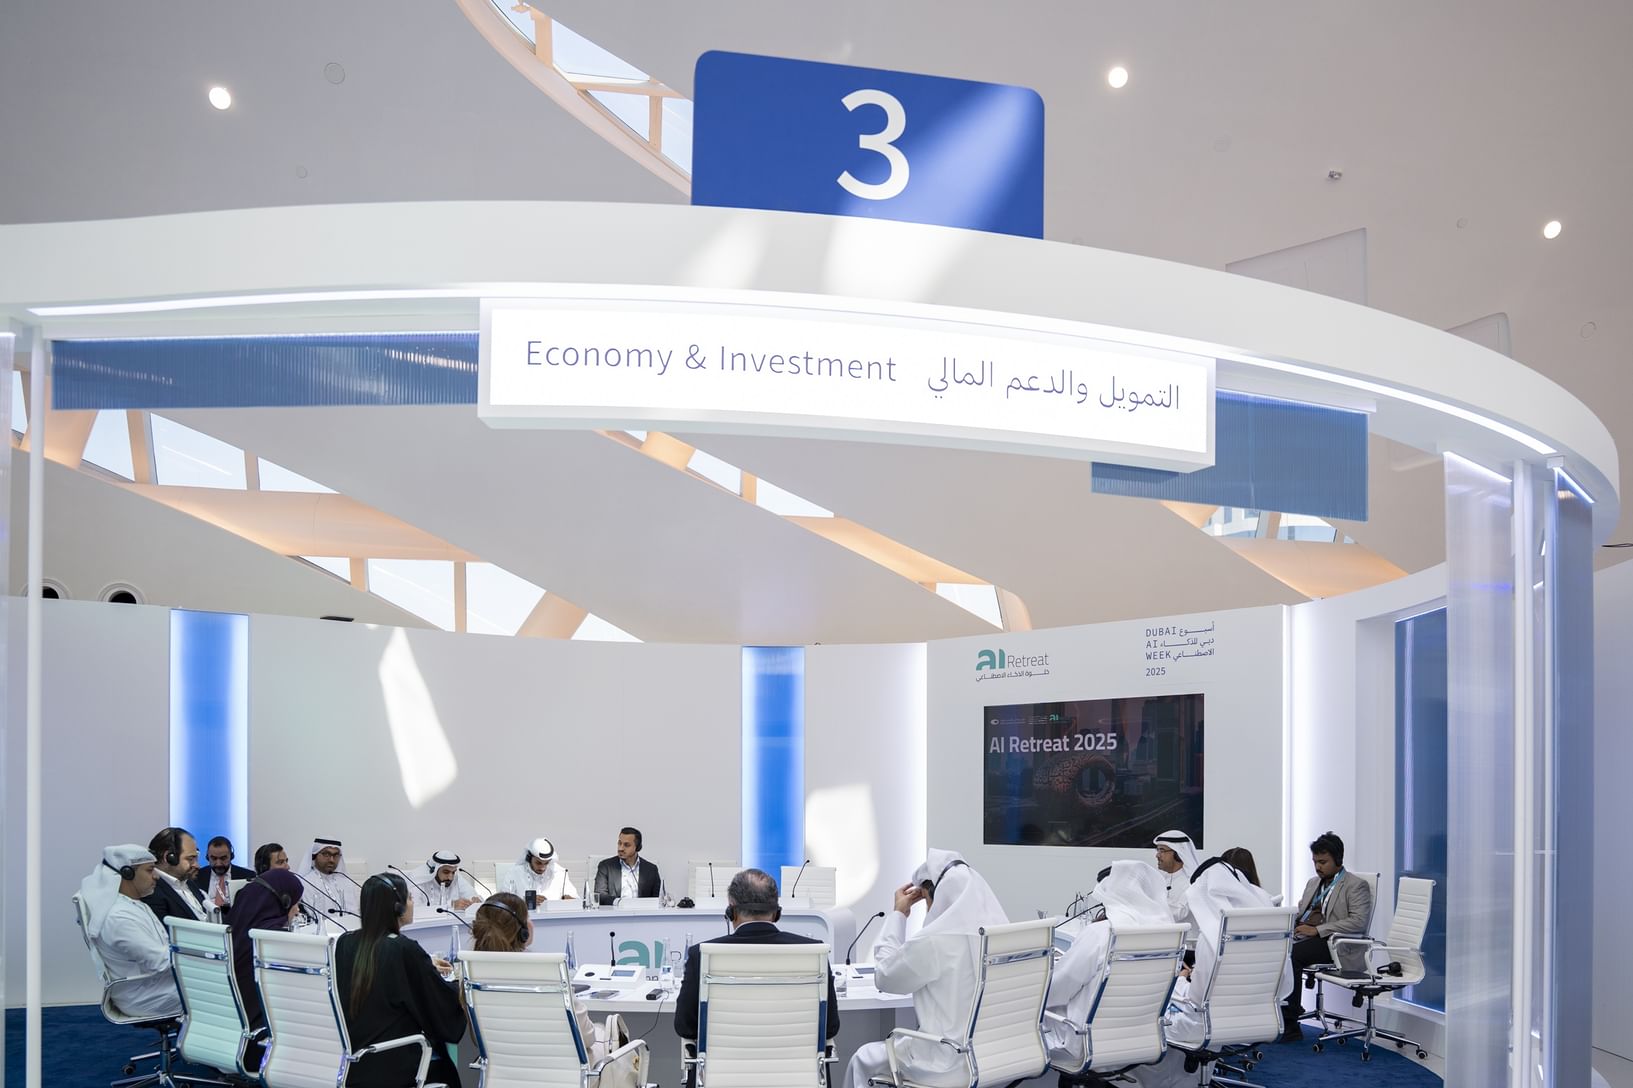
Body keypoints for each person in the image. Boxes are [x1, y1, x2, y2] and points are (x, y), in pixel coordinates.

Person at [844, 850, 1008, 1088]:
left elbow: (885, 976)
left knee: (862, 1059)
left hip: (945, 1064)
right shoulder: (1002, 937)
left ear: (936, 897)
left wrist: (899, 914)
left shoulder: (934, 941)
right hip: (997, 1058)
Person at [675, 869, 840, 1067]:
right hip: (797, 1074)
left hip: (723, 1074)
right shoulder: (814, 953)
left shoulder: (700, 955)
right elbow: (830, 1027)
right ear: (777, 912)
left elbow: (685, 1027)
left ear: (731, 911)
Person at [333, 873, 464, 1087]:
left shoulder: (344, 943)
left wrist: (425, 965)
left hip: (354, 1065)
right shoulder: (403, 949)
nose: (412, 904)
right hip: (397, 1063)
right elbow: (437, 1002)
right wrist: (460, 983)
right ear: (398, 907)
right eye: (410, 898)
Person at [1042, 861, 1172, 1062]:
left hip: (1085, 1040)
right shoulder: (1167, 933)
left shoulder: (1100, 932)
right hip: (1142, 1037)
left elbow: (1057, 989)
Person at [472, 892, 622, 1062]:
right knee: (607, 1034)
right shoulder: (548, 971)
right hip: (563, 1071)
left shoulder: (472, 973)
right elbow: (587, 1036)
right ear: (524, 932)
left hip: (502, 1071)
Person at [1283, 831, 1372, 1041]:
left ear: (1338, 860)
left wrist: (1318, 930)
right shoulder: (1313, 883)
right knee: (1275, 949)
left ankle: (1290, 1023)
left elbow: (1358, 922)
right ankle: (1280, 1011)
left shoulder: (1356, 885)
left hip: (1336, 944)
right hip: (1307, 936)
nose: (1317, 867)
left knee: (1292, 955)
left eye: (1323, 862)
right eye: (1315, 862)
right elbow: (1302, 911)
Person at [77, 845, 184, 1018]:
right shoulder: (119, 917)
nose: (156, 876)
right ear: (127, 873)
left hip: (154, 985)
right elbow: (160, 962)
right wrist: (202, 958)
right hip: (146, 996)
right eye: (150, 870)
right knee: (223, 988)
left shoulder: (131, 904)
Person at [227, 869, 306, 1030]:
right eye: (296, 903)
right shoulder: (274, 940)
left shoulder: (233, 926)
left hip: (231, 1019)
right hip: (265, 1026)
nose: (297, 910)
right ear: (284, 901)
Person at [143, 826, 210, 926]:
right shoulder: (151, 891)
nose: (197, 866)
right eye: (190, 859)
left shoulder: (188, 881)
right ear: (169, 857)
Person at [593, 827, 661, 905]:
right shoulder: (605, 866)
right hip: (615, 910)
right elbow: (600, 895)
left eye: (626, 845)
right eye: (619, 843)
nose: (621, 848)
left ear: (637, 847)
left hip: (642, 911)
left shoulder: (651, 869)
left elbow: (658, 898)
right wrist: (619, 902)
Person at [192, 835, 255, 914]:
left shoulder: (248, 876)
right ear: (207, 857)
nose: (218, 863)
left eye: (223, 858)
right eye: (214, 858)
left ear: (231, 856)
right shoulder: (196, 876)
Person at [501, 837, 576, 902]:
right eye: (538, 863)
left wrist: (570, 899)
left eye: (546, 863)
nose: (542, 868)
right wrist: (525, 901)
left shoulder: (559, 873)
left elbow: (573, 897)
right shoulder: (514, 873)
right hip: (523, 914)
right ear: (529, 858)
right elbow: (503, 901)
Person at [298, 837, 359, 917]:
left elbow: (354, 913)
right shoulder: (306, 883)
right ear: (314, 856)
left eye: (336, 855)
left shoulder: (346, 882)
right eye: (326, 854)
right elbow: (311, 916)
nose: (331, 860)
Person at [1153, 830, 1199, 926]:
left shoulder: (1193, 881)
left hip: (1186, 935)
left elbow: (1179, 912)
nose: (1157, 855)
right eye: (1157, 850)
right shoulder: (1160, 879)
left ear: (1178, 854)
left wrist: (1147, 905)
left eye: (1162, 850)